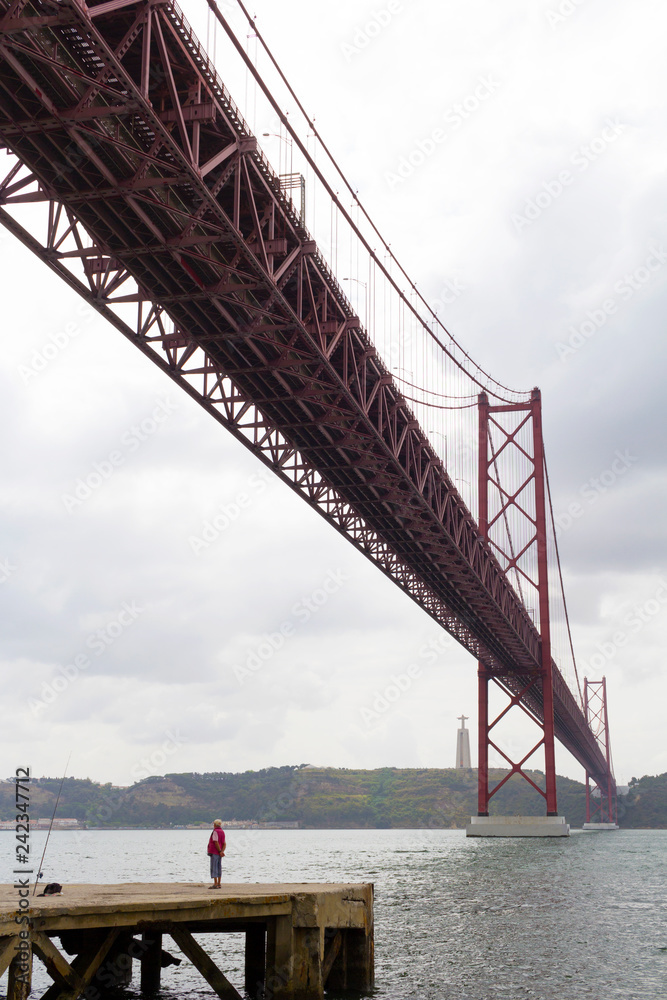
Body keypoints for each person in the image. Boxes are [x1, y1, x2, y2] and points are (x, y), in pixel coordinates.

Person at [207, 819, 226, 889]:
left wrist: (219, 851)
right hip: (219, 853)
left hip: (215, 852)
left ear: (215, 825)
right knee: (219, 867)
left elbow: (216, 842)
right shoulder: (222, 832)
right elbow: (224, 843)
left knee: (214, 867)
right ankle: (219, 883)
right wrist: (222, 851)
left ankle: (215, 883)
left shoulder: (215, 832)